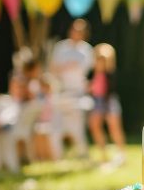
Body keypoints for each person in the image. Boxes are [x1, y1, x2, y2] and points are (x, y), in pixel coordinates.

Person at [51, 20, 94, 158]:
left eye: (80, 31)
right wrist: (66, 67)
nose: (77, 33)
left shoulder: (87, 50)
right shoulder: (60, 47)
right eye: (75, 29)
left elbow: (90, 74)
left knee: (78, 125)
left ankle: (82, 152)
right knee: (57, 125)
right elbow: (53, 68)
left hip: (79, 94)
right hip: (62, 92)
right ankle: (57, 154)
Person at [87, 43, 125, 166]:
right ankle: (103, 153)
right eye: (98, 59)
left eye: (103, 60)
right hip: (97, 101)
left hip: (109, 100)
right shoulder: (92, 73)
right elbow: (90, 87)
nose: (100, 63)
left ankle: (121, 153)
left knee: (114, 127)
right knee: (94, 125)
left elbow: (112, 88)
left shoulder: (111, 74)